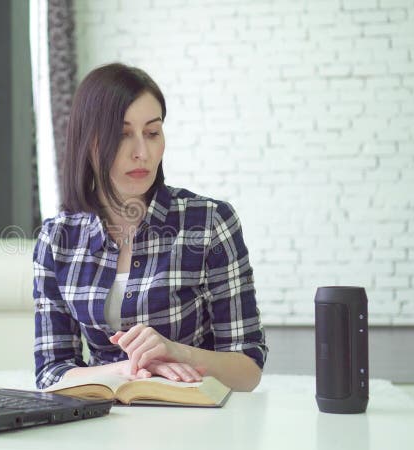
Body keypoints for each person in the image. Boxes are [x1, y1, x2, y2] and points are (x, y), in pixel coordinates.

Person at [33, 63, 267, 392]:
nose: (142, 152)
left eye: (152, 133)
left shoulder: (211, 222)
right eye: (122, 134)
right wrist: (127, 370)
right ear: (89, 141)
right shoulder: (57, 240)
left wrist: (175, 353)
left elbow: (248, 369)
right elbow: (51, 372)